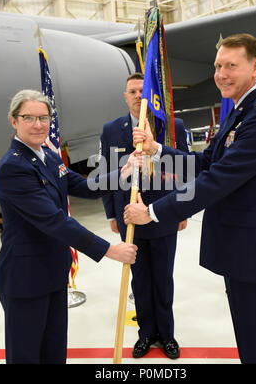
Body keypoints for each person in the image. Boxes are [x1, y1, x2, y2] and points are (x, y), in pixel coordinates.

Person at [124, 34, 256, 364]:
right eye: (217, 66)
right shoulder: (240, 110)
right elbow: (206, 162)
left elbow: (217, 180)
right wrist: (158, 150)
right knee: (249, 340)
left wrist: (155, 212)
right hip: (240, 248)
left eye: (231, 65)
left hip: (255, 252)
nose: (221, 74)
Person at [0, 89, 138, 364]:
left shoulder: (49, 156)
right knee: (26, 355)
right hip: (26, 278)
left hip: (52, 271)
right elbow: (55, 221)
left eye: (44, 117)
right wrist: (109, 250)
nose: (38, 124)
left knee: (54, 350)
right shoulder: (14, 168)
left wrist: (123, 172)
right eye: (29, 118)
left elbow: (83, 186)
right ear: (14, 121)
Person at [100, 72, 189, 359]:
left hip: (163, 214)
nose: (138, 96)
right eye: (132, 91)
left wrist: (182, 209)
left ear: (152, 95)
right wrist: (111, 214)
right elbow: (106, 173)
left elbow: (186, 171)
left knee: (163, 277)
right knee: (139, 280)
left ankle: (166, 334)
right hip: (129, 218)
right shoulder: (111, 130)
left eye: (143, 90)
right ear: (125, 96)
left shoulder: (172, 126)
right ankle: (146, 334)